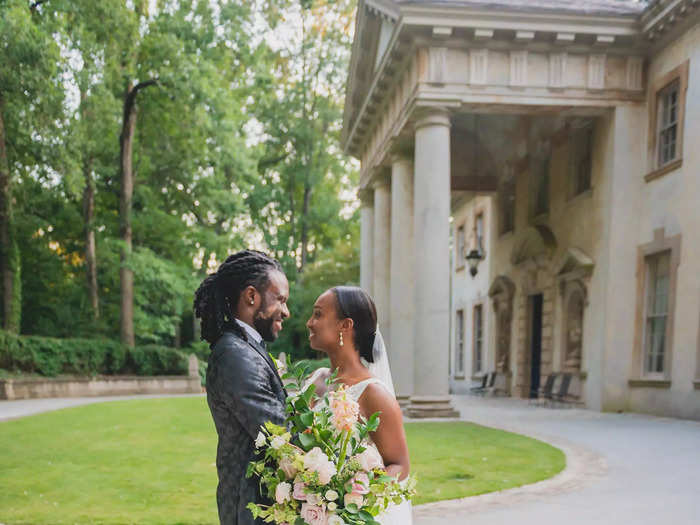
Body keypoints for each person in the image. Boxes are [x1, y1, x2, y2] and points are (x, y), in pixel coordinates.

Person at [194, 250, 290, 525]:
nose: (286, 311)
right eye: (280, 299)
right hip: (250, 510)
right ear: (251, 296)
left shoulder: (245, 348)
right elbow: (278, 430)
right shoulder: (235, 354)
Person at [304, 285, 413, 525]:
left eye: (319, 314)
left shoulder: (373, 393)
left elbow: (400, 465)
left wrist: (351, 499)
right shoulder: (315, 380)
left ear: (346, 325)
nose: (310, 323)